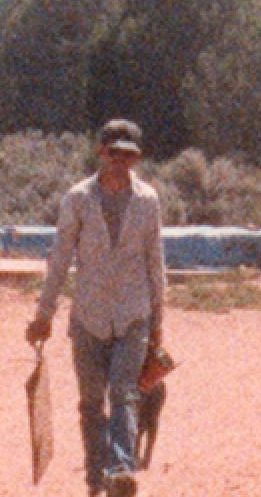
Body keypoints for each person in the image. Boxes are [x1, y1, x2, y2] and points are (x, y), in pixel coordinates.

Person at [26, 118, 166, 497]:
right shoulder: (78, 199)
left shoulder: (148, 201)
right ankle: (94, 479)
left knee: (124, 394)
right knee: (91, 403)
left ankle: (120, 471)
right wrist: (43, 314)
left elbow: (156, 264)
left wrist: (158, 325)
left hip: (133, 316)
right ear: (101, 153)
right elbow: (59, 259)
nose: (120, 162)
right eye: (114, 153)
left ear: (136, 159)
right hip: (88, 317)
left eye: (128, 155)